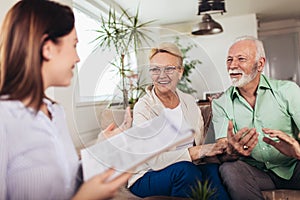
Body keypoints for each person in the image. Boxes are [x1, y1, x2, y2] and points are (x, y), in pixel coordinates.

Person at [0, 1, 132, 199]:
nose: (78, 58)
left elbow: (66, 179)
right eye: (74, 45)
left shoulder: (55, 112)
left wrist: (101, 147)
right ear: (48, 48)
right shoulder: (4, 120)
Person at [129, 42, 230, 199]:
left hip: (187, 168)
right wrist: (196, 152)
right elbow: (153, 161)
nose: (162, 75)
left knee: (212, 169)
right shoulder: (144, 107)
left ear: (180, 72)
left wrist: (222, 151)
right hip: (147, 176)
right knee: (185, 171)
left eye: (169, 69)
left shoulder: (188, 101)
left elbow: (200, 144)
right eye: (155, 69)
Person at [212, 36, 300, 200]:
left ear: (260, 64)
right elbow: (223, 150)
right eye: (229, 60)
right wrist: (231, 152)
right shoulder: (220, 103)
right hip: (258, 174)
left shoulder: (288, 91)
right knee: (229, 168)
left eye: (241, 59)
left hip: (294, 167)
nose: (232, 65)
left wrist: (297, 151)